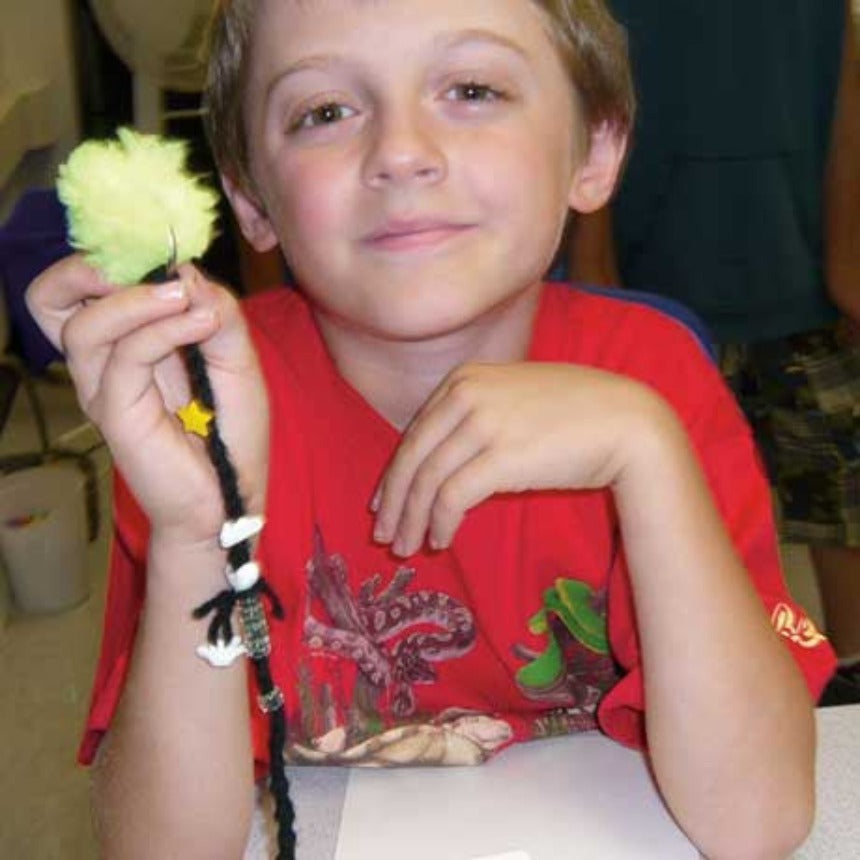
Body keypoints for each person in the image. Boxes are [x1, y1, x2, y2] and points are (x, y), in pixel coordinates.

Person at [26, 0, 835, 857]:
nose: (402, 153)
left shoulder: (656, 385)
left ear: (594, 150)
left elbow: (758, 822)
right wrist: (198, 530)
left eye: (474, 89)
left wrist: (648, 457)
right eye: (325, 112)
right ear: (250, 196)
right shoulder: (203, 414)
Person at [570, 0, 860, 703]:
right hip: (658, 302)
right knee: (685, 523)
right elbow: (584, 107)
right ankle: (712, 692)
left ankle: (847, 676)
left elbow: (847, 115)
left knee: (843, 504)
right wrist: (594, 275)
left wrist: (848, 269)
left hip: (806, 291)